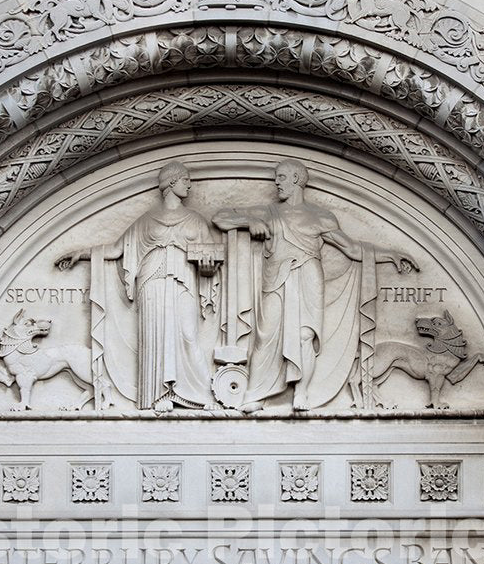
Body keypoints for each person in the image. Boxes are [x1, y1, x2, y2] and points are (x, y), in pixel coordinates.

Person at [213, 159, 416, 412]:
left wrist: (391, 254)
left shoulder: (321, 218)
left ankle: (302, 391)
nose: (277, 182)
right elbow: (220, 217)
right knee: (266, 335)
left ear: (297, 179)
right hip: (276, 278)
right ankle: (258, 393)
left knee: (304, 336)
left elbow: (352, 249)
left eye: (282, 177)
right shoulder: (268, 212)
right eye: (277, 177)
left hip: (308, 276)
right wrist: (248, 222)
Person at [57, 162, 218, 412]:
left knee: (188, 335)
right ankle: (159, 395)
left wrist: (208, 267)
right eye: (185, 179)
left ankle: (202, 393)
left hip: (183, 281)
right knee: (155, 336)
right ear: (171, 183)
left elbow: (209, 258)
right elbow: (116, 249)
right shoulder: (147, 221)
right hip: (151, 282)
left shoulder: (195, 221)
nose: (189, 184)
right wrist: (82, 253)